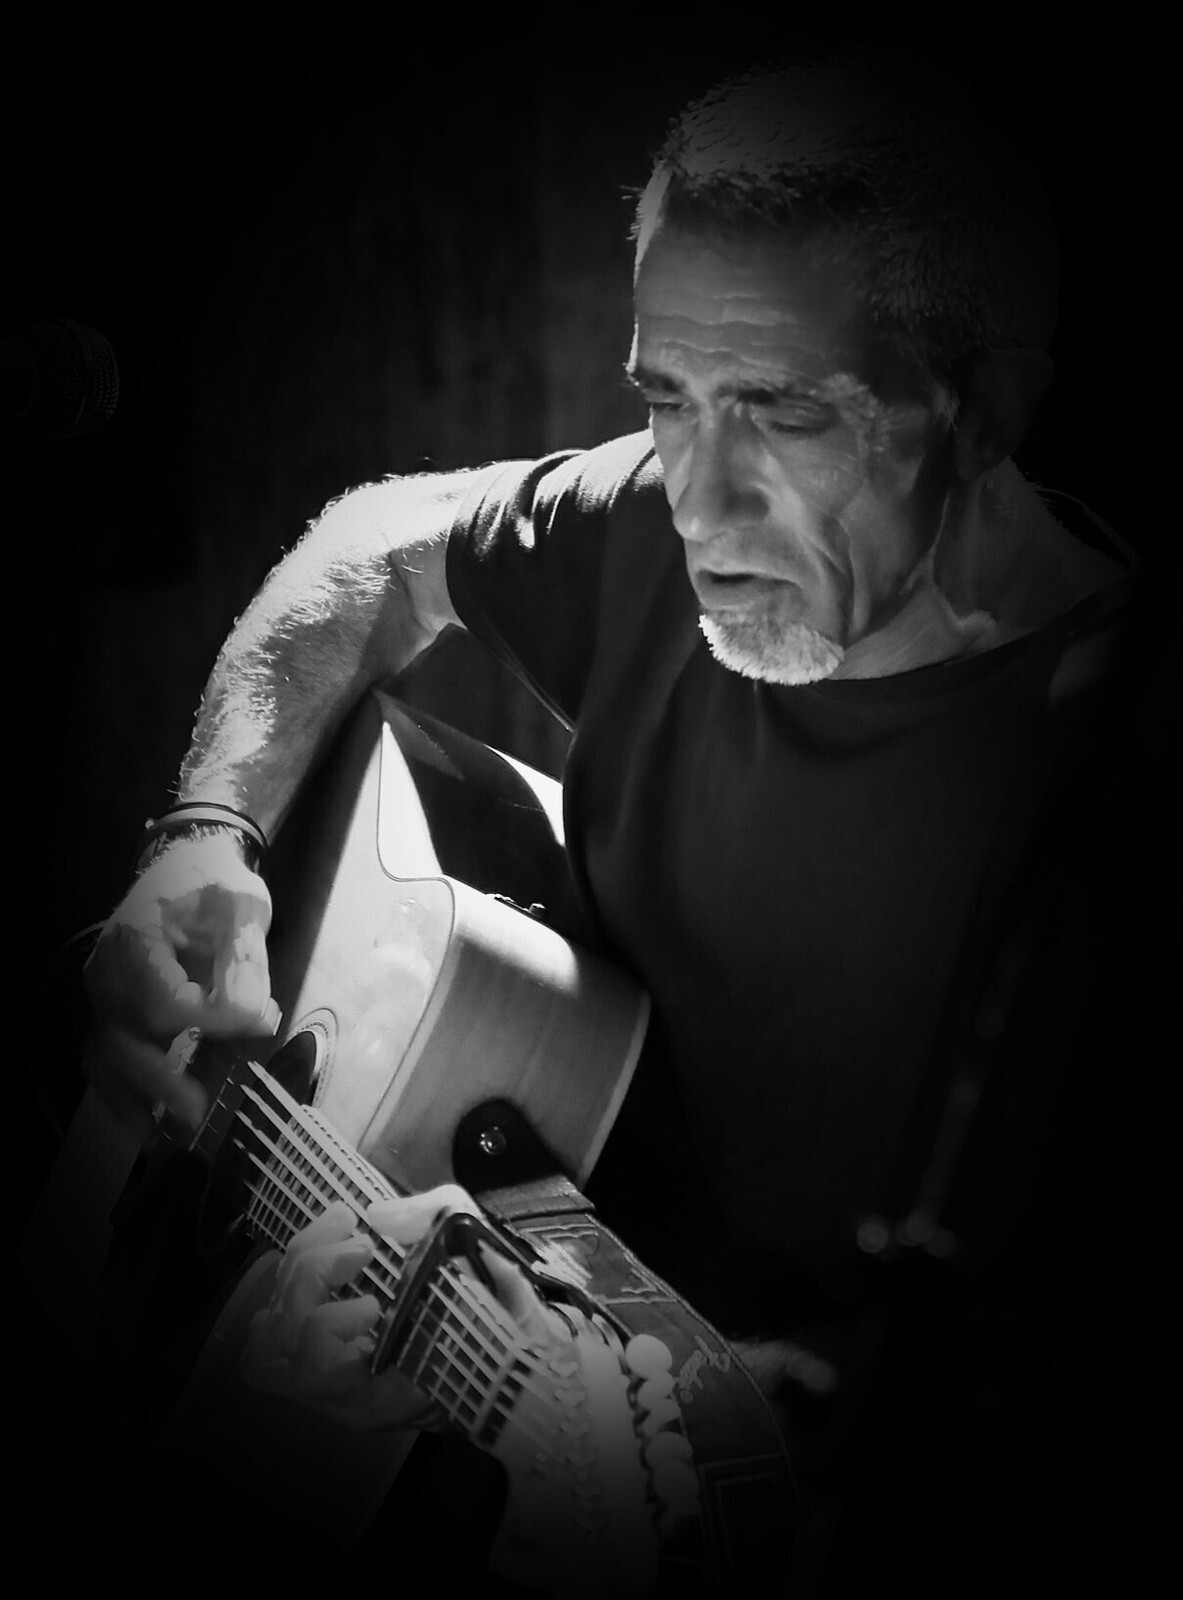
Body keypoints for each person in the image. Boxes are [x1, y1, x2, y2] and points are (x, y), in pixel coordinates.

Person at [79, 48, 1158, 1593]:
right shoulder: (644, 526)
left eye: (784, 413)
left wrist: (720, 1447)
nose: (699, 504)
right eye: (666, 399)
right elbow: (375, 548)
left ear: (984, 407)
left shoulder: (1113, 787)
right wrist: (205, 832)